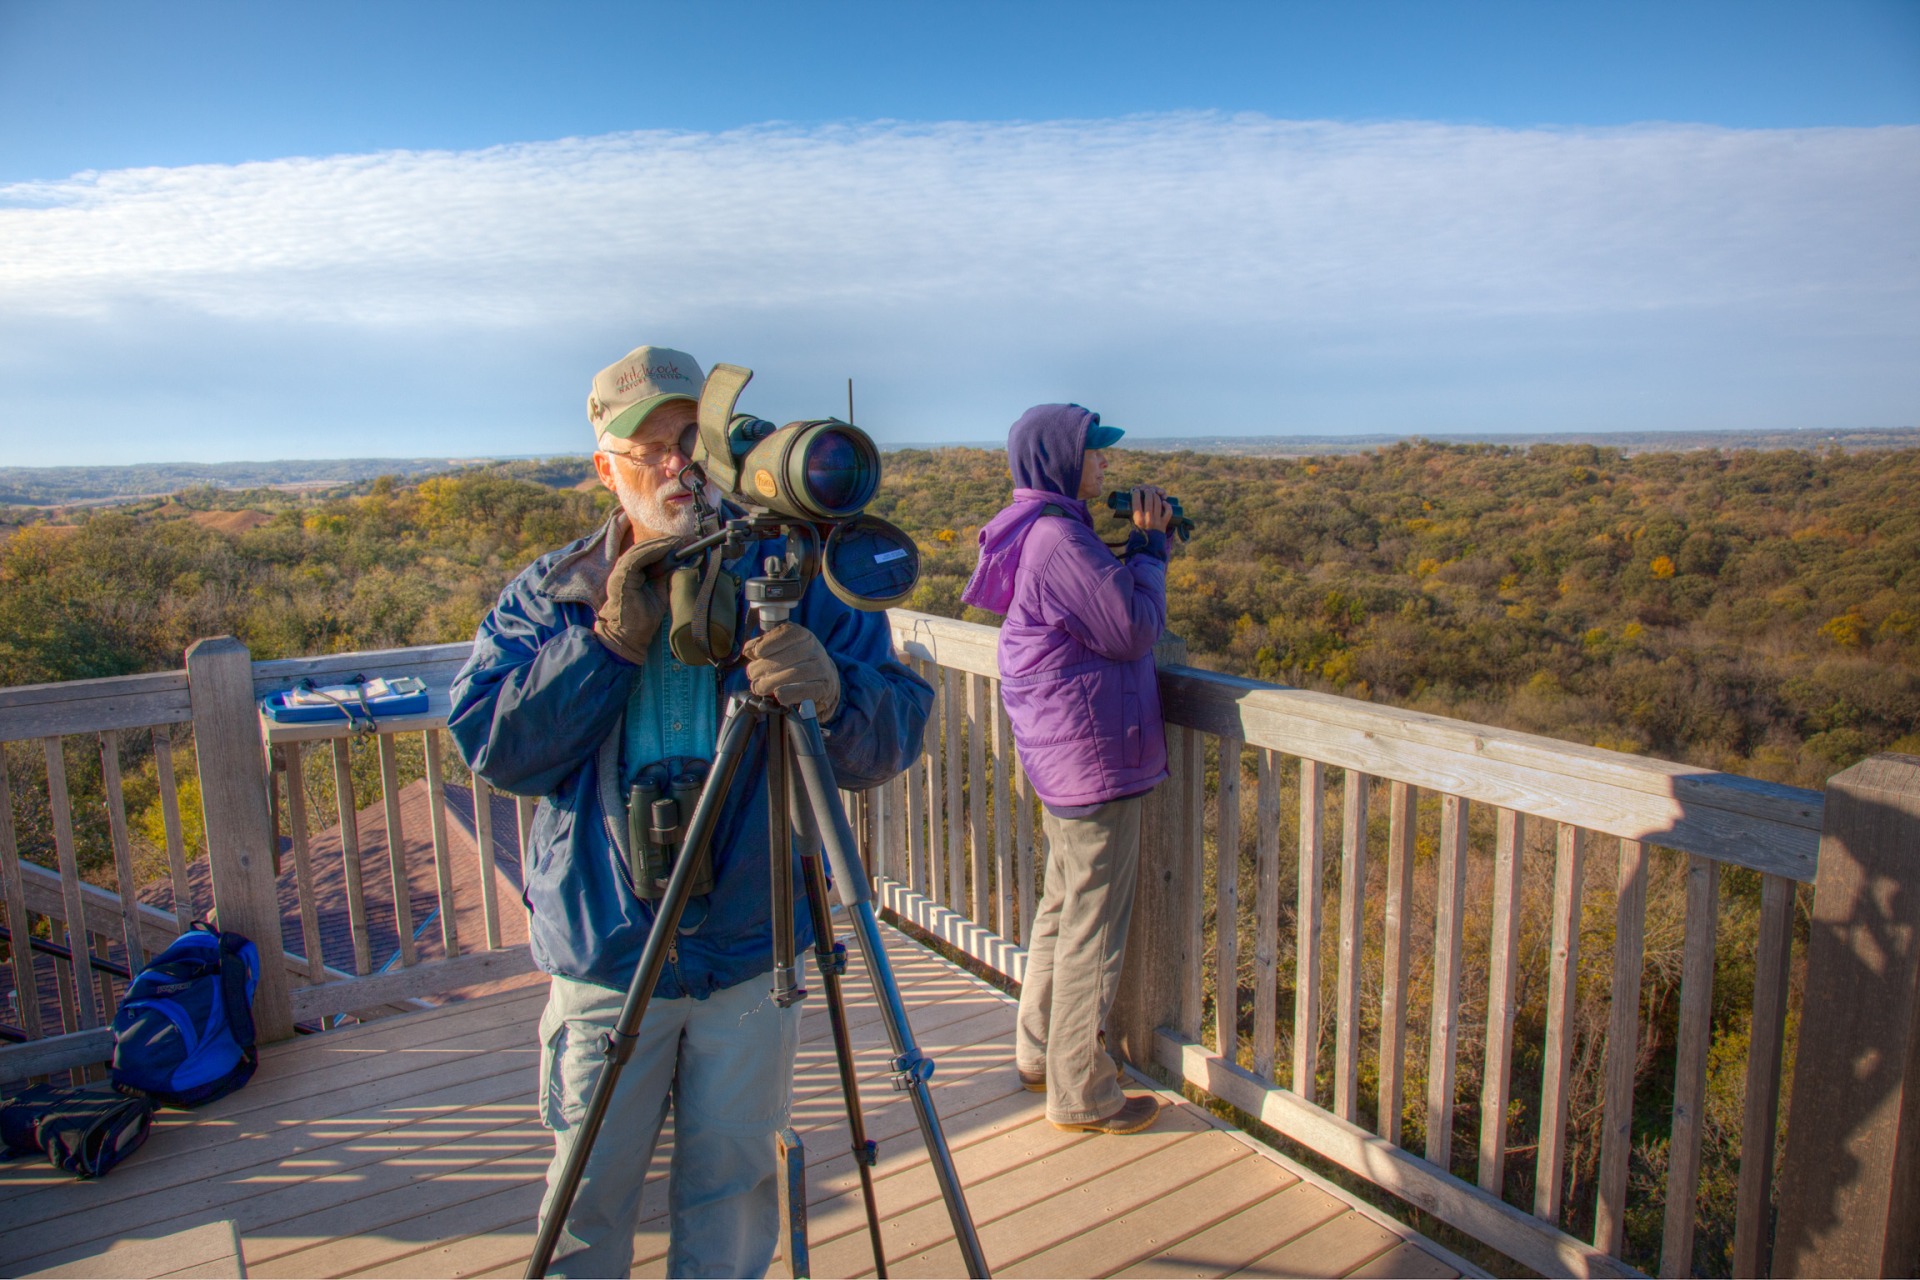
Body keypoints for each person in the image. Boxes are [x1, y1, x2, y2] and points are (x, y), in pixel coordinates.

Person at [448, 344, 932, 1278]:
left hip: (751, 955)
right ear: (605, 468)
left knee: (734, 1196)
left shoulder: (795, 585)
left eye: (691, 441)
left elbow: (893, 735)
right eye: (651, 448)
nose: (677, 466)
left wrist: (832, 696)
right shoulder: (553, 597)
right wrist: (606, 642)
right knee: (586, 1206)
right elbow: (497, 747)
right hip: (608, 956)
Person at [961, 402, 1174, 1135]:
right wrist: (1148, 552)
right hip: (1094, 758)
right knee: (1092, 926)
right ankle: (1082, 1090)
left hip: (1067, 757)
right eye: (1096, 453)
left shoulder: (1036, 528)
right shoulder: (1057, 539)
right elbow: (1132, 628)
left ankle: (1037, 1053)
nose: (1106, 465)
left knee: (1063, 908)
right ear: (1061, 461)